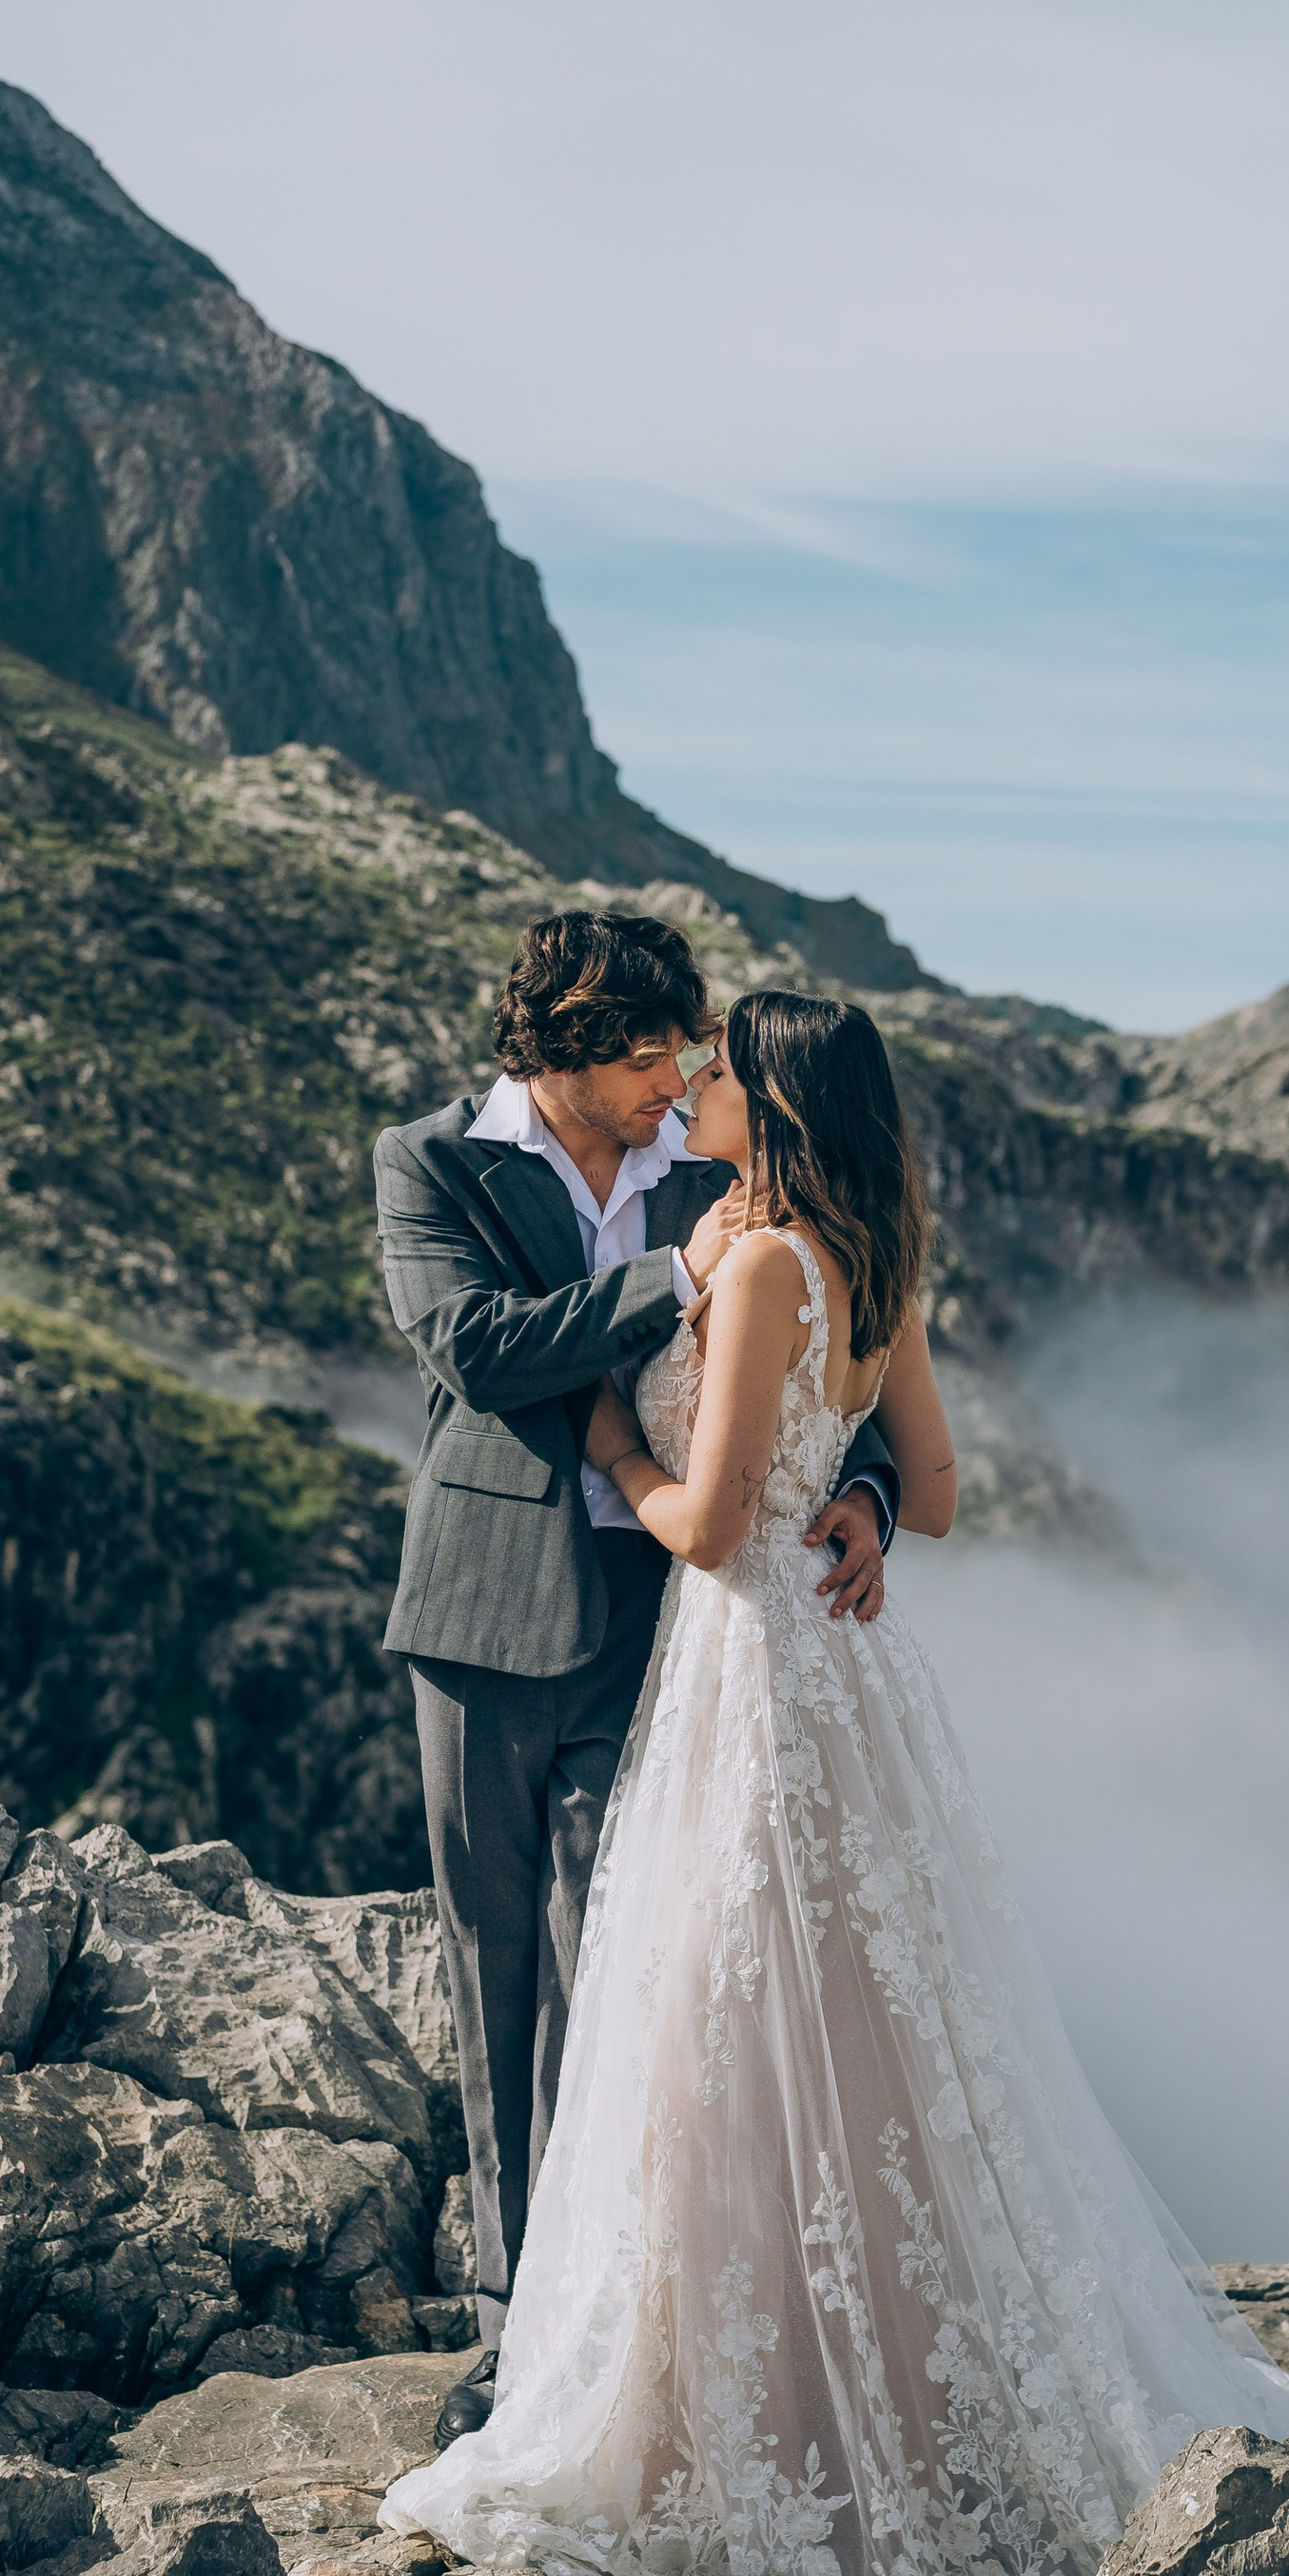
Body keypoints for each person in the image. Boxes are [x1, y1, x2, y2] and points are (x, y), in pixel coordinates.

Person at [382, 988, 1289, 2576]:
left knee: (727, 2029)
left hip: (752, 1677)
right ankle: (839, 2358)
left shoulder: (767, 1261)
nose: (690, 1086)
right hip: (844, 1679)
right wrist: (844, 1501)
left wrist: (613, 1445)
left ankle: (748, 2396)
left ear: (770, 1107)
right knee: (844, 2034)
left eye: (717, 1072)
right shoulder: (860, 1255)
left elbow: (707, 1528)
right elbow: (924, 1488)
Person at [374, 912, 903, 2445]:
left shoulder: (711, 1162)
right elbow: (477, 1349)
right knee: (495, 1963)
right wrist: (673, 1274)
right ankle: (506, 2323)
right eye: (653, 1050)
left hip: (673, 1624)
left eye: (687, 1050)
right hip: (483, 1613)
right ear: (562, 1052)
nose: (683, 1074)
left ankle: (599, 2314)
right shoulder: (432, 1165)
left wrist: (862, 1490)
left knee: (615, 1966)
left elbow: (813, 1340)